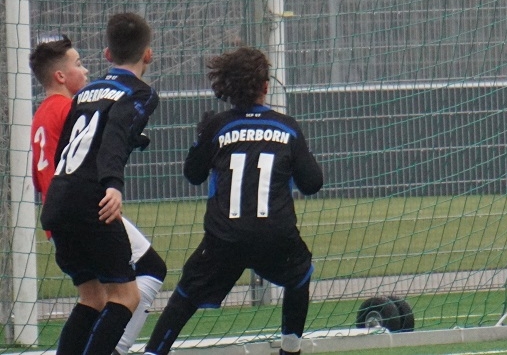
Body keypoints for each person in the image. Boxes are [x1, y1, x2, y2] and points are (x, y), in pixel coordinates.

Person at [143, 47, 324, 355]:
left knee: (186, 293)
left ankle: (153, 352)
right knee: (300, 273)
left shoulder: (218, 126)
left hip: (224, 237)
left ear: (227, 87)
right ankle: (290, 348)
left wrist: (200, 140)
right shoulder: (287, 127)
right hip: (275, 235)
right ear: (265, 86)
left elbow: (193, 175)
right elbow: (312, 184)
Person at [29, 34, 167, 355]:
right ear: (60, 76)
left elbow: (50, 168)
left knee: (93, 297)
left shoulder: (42, 115)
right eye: (79, 64)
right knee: (143, 277)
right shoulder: (72, 107)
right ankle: (116, 347)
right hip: (89, 204)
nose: (86, 70)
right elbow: (97, 146)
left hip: (57, 209)